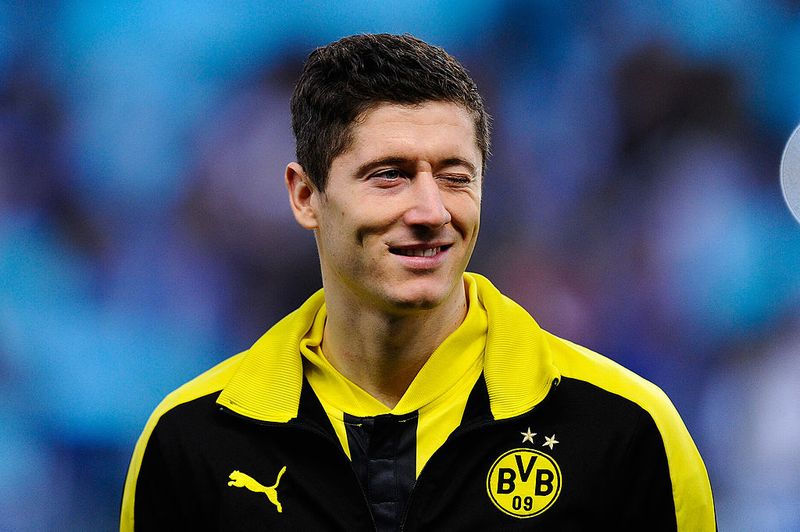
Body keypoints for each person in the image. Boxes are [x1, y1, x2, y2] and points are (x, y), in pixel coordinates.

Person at [120, 33, 715, 531]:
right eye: (390, 175)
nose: (432, 210)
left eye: (456, 177)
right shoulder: (193, 441)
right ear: (306, 196)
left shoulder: (625, 429)